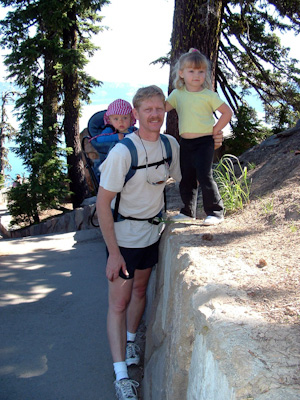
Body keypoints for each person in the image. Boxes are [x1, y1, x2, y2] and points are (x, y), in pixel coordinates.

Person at [96, 85, 223, 400]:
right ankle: (121, 375)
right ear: (136, 115)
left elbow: (186, 177)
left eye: (159, 109)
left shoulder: (170, 145)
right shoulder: (122, 152)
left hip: (152, 234)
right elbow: (102, 204)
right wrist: (113, 254)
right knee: (119, 303)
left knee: (140, 291)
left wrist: (213, 141)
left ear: (165, 112)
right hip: (124, 240)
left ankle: (129, 342)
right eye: (147, 110)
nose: (155, 114)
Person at [166, 48, 233, 225]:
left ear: (206, 73)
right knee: (186, 177)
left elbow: (227, 112)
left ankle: (216, 212)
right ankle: (188, 212)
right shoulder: (177, 94)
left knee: (204, 175)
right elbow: (162, 108)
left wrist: (215, 130)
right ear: (181, 73)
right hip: (185, 142)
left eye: (201, 71)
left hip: (205, 142)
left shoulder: (209, 95)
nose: (196, 75)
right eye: (191, 71)